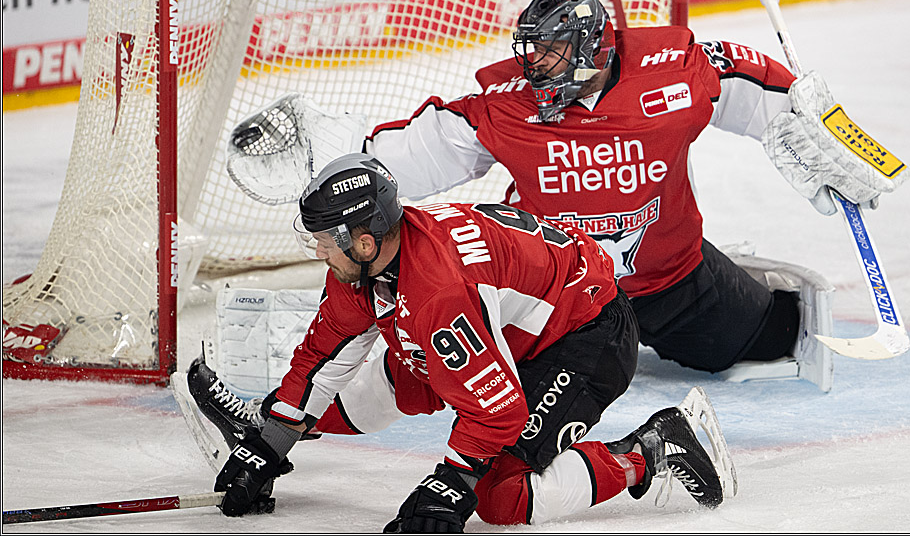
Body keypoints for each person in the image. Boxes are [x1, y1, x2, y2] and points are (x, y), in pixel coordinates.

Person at [356, 0, 905, 391]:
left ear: (591, 48)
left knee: (775, 338)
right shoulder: (506, 105)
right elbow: (414, 154)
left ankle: (743, 286)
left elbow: (762, 88)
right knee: (502, 390)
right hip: (556, 300)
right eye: (531, 51)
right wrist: (346, 169)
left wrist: (825, 134)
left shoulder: (673, 73)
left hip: (672, 280)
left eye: (550, 51)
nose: (534, 66)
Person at [191, 153, 735, 529]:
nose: (318, 252)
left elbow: (496, 410)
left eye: (323, 241)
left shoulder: (438, 294)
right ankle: (266, 424)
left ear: (363, 241)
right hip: (512, 325)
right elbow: (323, 357)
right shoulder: (373, 263)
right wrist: (273, 441)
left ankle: (652, 447)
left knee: (500, 497)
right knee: (383, 380)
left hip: (584, 334)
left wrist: (452, 481)